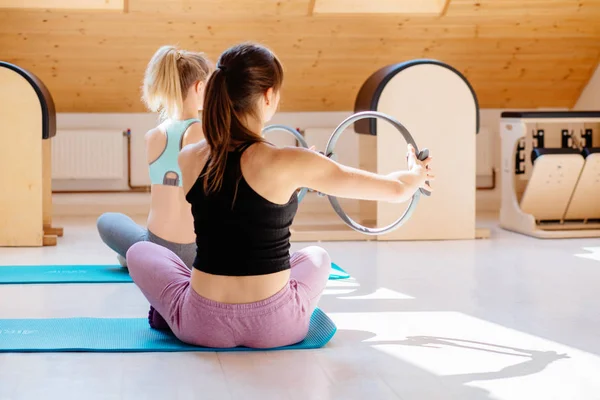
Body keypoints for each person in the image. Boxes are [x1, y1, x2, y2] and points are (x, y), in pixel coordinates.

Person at [126, 42, 434, 349]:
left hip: (202, 325)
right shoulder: (293, 161)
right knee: (317, 256)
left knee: (140, 252)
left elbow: (233, 194)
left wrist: (299, 172)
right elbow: (394, 190)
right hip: (276, 326)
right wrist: (415, 174)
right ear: (268, 95)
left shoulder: (189, 157)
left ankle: (173, 312)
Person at [97, 46, 212, 269]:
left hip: (156, 247)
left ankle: (136, 257)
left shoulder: (153, 137)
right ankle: (136, 257)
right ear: (199, 87)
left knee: (107, 220)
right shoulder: (203, 133)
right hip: (196, 252)